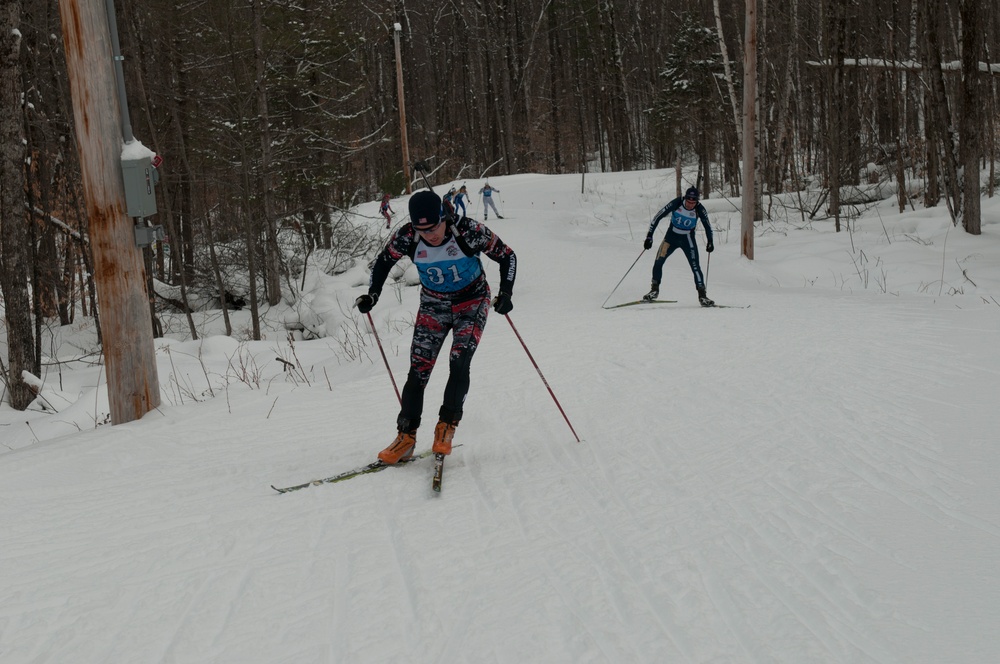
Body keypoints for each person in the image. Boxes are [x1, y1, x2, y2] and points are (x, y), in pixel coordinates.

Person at [355, 190, 517, 464]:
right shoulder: (408, 236)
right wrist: (373, 294)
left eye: (434, 228)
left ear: (445, 217)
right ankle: (405, 437)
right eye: (422, 230)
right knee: (419, 369)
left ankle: (446, 427)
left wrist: (506, 294)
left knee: (459, 361)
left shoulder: (468, 231)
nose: (429, 235)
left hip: (472, 300)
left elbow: (507, 256)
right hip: (434, 303)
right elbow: (384, 261)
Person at [642, 186, 715, 306]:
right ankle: (654, 290)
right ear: (685, 198)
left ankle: (702, 296)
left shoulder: (700, 209)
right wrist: (649, 236)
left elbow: (707, 225)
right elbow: (658, 216)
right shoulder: (676, 203)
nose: (691, 204)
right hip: (671, 237)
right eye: (689, 201)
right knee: (658, 261)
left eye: (693, 202)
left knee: (695, 266)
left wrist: (710, 241)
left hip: (687, 239)